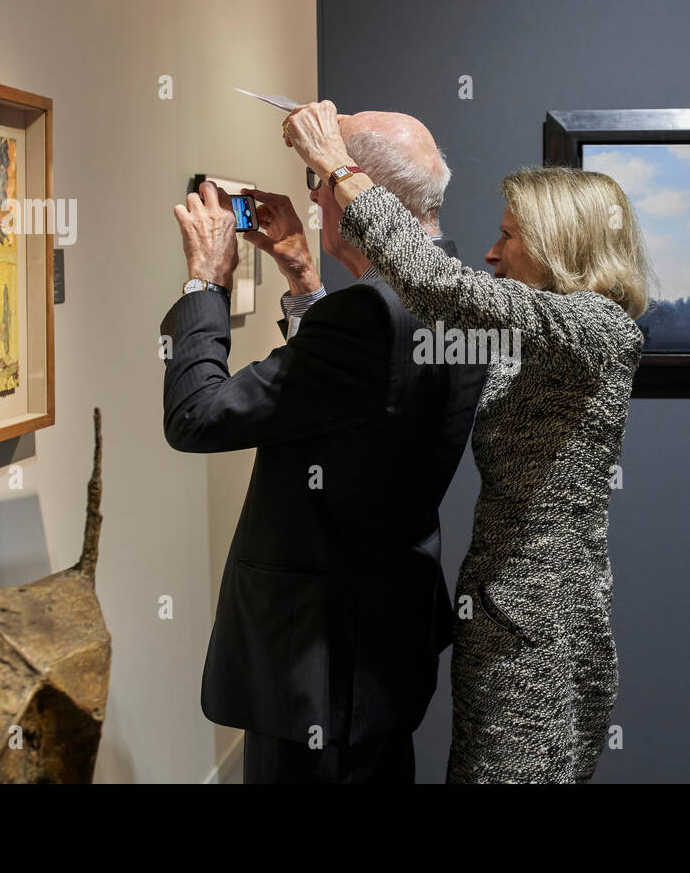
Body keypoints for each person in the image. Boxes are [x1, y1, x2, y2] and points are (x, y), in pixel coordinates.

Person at [281, 100, 650, 783]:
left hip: (541, 637)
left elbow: (436, 285)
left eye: (510, 235)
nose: (491, 250)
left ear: (559, 243)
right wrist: (306, 287)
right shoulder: (532, 336)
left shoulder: (594, 328)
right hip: (503, 621)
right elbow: (414, 343)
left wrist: (335, 166)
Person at [160, 111, 487, 783]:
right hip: (380, 651)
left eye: (317, 179)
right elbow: (354, 398)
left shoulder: (371, 314)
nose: (311, 197)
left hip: (320, 664)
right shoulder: (457, 294)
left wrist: (206, 284)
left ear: (360, 192)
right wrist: (304, 278)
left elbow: (197, 417)